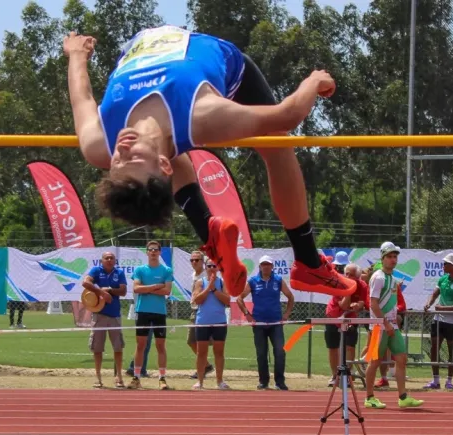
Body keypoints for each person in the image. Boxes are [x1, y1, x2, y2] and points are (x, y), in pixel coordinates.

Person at [63, 26, 356, 301]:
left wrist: (76, 55)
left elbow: (82, 99)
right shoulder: (204, 115)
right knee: (276, 144)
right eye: (134, 157)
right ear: (164, 165)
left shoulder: (100, 143)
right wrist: (314, 81)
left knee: (155, 143)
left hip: (145, 53)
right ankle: (308, 262)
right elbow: (287, 115)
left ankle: (210, 233)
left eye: (118, 160)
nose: (123, 148)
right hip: (228, 71)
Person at [364, 243, 423, 410]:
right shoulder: (378, 277)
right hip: (379, 326)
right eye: (389, 257)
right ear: (382, 258)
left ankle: (403, 397)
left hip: (392, 326)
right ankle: (369, 397)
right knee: (375, 361)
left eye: (395, 257)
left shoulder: (392, 278)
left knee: (401, 358)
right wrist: (385, 323)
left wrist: (393, 320)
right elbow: (373, 304)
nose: (393, 260)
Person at [237, 255, 294, 390]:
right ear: (260, 266)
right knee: (261, 353)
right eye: (263, 264)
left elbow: (290, 297)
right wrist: (247, 314)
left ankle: (280, 382)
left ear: (272, 266)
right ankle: (263, 381)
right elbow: (239, 298)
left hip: (276, 323)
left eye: (268, 264)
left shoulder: (278, 280)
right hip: (259, 323)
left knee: (280, 352)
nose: (266, 267)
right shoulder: (253, 281)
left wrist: (286, 314)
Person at [129, 240, 174, 390]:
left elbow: (167, 291)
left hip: (159, 312)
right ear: (147, 252)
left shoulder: (166, 270)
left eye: (156, 249)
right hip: (143, 311)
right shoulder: (140, 270)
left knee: (160, 345)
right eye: (150, 249)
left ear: (160, 252)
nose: (153, 252)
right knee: (140, 345)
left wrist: (146, 289)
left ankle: (162, 378)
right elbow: (136, 288)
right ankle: (136, 377)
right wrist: (155, 286)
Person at [422, 253, 453, 391]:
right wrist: (428, 303)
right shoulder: (443, 279)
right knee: (434, 348)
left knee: (451, 350)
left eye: (446, 264)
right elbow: (434, 294)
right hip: (438, 319)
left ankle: (449, 381)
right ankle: (435, 380)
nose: (443, 266)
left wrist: (442, 308)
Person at [82, 251, 128, 388]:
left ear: (115, 261)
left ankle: (119, 376)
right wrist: (101, 292)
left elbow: (123, 291)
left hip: (114, 315)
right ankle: (98, 377)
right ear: (102, 260)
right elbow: (85, 282)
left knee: (118, 347)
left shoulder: (119, 273)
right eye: (106, 258)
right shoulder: (96, 270)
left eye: (111, 258)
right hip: (99, 314)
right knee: (97, 348)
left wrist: (110, 290)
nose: (109, 260)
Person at [321, 262, 368, 387]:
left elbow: (362, 303)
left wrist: (358, 305)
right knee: (333, 347)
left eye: (351, 275)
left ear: (357, 277)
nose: (347, 277)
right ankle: (335, 376)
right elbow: (343, 305)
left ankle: (346, 375)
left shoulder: (362, 285)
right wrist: (349, 291)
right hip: (333, 316)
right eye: (346, 274)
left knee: (350, 346)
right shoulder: (338, 284)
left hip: (349, 318)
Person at [190, 258, 231, 390]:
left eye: (214, 266)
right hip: (203, 321)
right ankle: (200, 381)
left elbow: (227, 300)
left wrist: (214, 290)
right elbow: (197, 300)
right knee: (201, 352)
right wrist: (208, 287)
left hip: (219, 321)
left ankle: (219, 381)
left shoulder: (222, 282)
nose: (212, 268)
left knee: (219, 352)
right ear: (205, 267)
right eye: (209, 266)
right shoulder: (200, 282)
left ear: (218, 268)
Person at [185, 250, 213, 379]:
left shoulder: (206, 274)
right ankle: (206, 365)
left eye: (197, 260)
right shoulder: (193, 275)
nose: (194, 262)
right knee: (191, 341)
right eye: (192, 260)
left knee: (200, 341)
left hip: (204, 310)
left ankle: (202, 368)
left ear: (203, 261)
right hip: (194, 310)